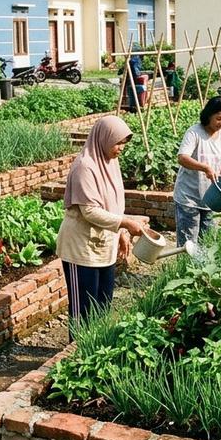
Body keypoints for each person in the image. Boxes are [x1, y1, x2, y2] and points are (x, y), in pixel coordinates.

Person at [56, 117, 146, 324]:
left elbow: (115, 203)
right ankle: (76, 354)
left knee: (102, 305)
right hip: (82, 248)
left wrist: (121, 233)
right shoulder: (85, 167)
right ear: (102, 139)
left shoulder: (110, 163)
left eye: (124, 143)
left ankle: (94, 352)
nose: (121, 148)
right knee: (83, 310)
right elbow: (89, 211)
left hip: (104, 245)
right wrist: (125, 223)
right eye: (117, 142)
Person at [173, 97, 221, 246]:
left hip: (212, 197)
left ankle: (204, 270)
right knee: (188, 244)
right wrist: (204, 167)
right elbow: (182, 158)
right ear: (208, 115)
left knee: (207, 242)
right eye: (218, 119)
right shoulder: (194, 133)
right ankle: (185, 269)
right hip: (189, 197)